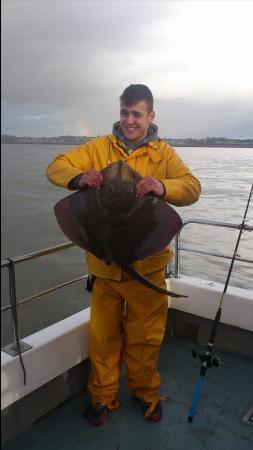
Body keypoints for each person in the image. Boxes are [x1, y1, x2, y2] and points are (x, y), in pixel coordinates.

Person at [46, 84, 201, 426]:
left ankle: (146, 393)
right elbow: (55, 166)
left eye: (137, 114)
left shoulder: (163, 155)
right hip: (103, 266)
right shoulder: (99, 148)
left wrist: (162, 187)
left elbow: (192, 188)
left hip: (147, 266)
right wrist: (77, 178)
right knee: (103, 338)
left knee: (145, 337)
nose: (129, 121)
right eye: (124, 113)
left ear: (150, 116)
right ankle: (102, 397)